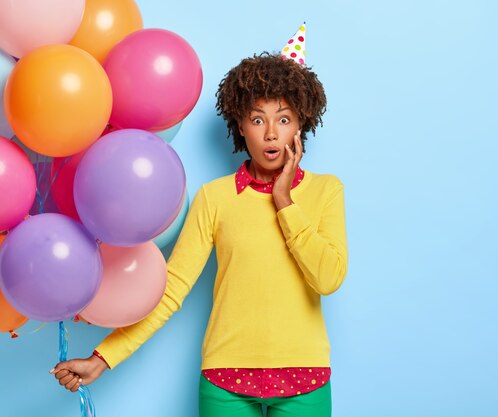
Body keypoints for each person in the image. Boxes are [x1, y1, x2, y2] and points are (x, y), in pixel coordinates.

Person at [50, 50, 348, 417]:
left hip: (306, 379)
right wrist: (103, 358)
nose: (271, 133)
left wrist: (284, 201)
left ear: (300, 124)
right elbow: (170, 289)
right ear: (240, 125)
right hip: (226, 381)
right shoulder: (216, 197)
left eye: (283, 119)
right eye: (258, 119)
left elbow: (329, 278)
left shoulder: (326, 191)